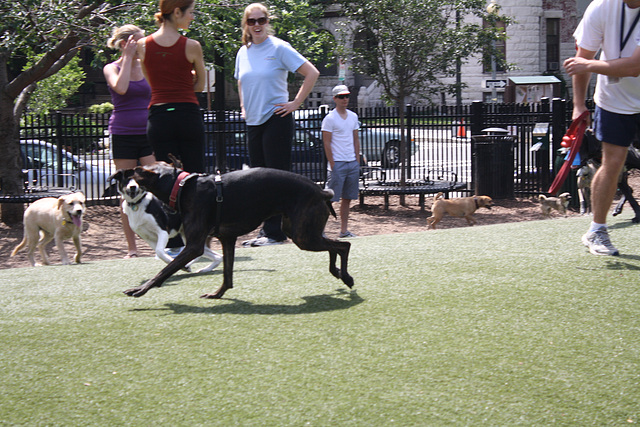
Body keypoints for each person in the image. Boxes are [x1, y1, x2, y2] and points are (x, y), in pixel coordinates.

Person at [235, 2, 320, 246]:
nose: (257, 25)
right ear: (246, 25)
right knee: (258, 180)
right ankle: (268, 231)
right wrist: (243, 106)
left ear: (267, 22)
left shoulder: (280, 47)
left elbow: (311, 73)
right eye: (252, 21)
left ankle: (276, 232)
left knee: (276, 179)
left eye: (262, 20)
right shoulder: (243, 52)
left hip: (277, 120)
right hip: (253, 122)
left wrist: (295, 103)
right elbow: (241, 81)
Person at [562, 0, 640, 256]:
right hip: (614, 99)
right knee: (612, 162)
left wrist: (589, 66)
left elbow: (633, 67)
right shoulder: (601, 6)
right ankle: (597, 230)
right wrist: (578, 107)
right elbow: (582, 56)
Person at [104, 25, 156, 258]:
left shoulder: (146, 66)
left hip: (148, 133)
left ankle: (164, 240)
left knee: (156, 185)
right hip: (123, 134)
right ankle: (132, 248)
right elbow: (121, 88)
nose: (143, 45)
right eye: (138, 42)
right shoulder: (111, 68)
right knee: (127, 192)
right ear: (126, 43)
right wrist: (126, 58)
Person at [138, 0, 207, 173]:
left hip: (160, 117)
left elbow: (151, 83)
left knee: (166, 177)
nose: (192, 17)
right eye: (190, 12)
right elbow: (200, 85)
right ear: (177, 12)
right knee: (195, 174)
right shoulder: (192, 46)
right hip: (188, 116)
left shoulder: (143, 45)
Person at [322, 85, 361, 238]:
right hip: (337, 164)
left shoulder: (353, 116)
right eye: (341, 96)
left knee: (347, 199)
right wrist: (332, 164)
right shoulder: (330, 118)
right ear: (335, 99)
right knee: (329, 200)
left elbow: (355, 139)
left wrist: (357, 160)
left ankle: (344, 231)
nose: (345, 99)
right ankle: (321, 231)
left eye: (346, 96)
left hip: (351, 163)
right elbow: (326, 142)